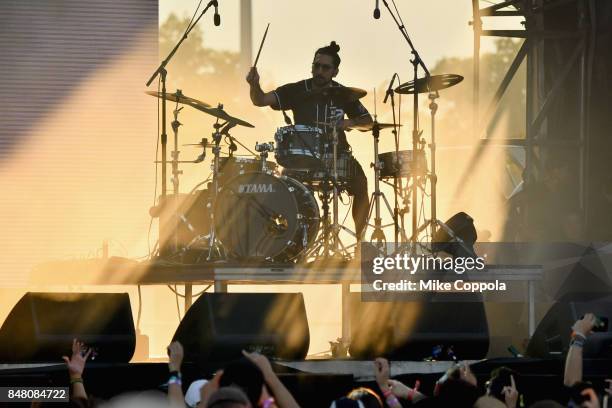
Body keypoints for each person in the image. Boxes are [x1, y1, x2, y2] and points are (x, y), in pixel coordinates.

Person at [246, 41, 372, 238]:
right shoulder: (297, 90)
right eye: (316, 66)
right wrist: (254, 84)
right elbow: (260, 100)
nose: (319, 71)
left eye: (325, 67)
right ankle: (290, 242)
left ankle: (360, 244)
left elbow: (368, 121)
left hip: (336, 156)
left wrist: (348, 123)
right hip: (302, 159)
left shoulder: (344, 93)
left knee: (361, 185)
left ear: (335, 72)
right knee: (286, 190)